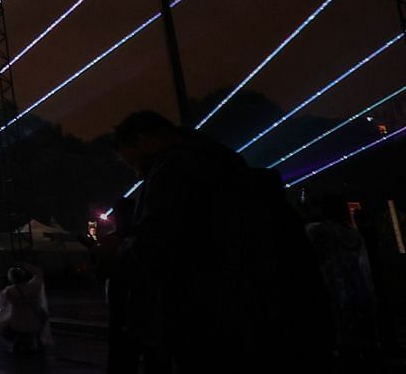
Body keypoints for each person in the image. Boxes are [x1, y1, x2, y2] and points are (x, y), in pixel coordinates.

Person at [111, 109, 326, 370]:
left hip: (207, 316)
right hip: (260, 310)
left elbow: (157, 245)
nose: (135, 173)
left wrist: (120, 250)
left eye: (131, 161)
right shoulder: (224, 162)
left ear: (145, 141)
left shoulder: (172, 170)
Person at [306, 200, 377, 367]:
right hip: (358, 285)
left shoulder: (320, 230)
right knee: (363, 330)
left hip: (334, 285)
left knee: (343, 331)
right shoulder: (353, 233)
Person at [0, 264, 51, 356]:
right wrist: (27, 265)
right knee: (34, 332)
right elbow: (38, 274)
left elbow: (4, 307)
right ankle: (36, 346)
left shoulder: (9, 291)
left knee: (17, 334)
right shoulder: (34, 286)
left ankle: (20, 348)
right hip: (34, 318)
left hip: (17, 320)